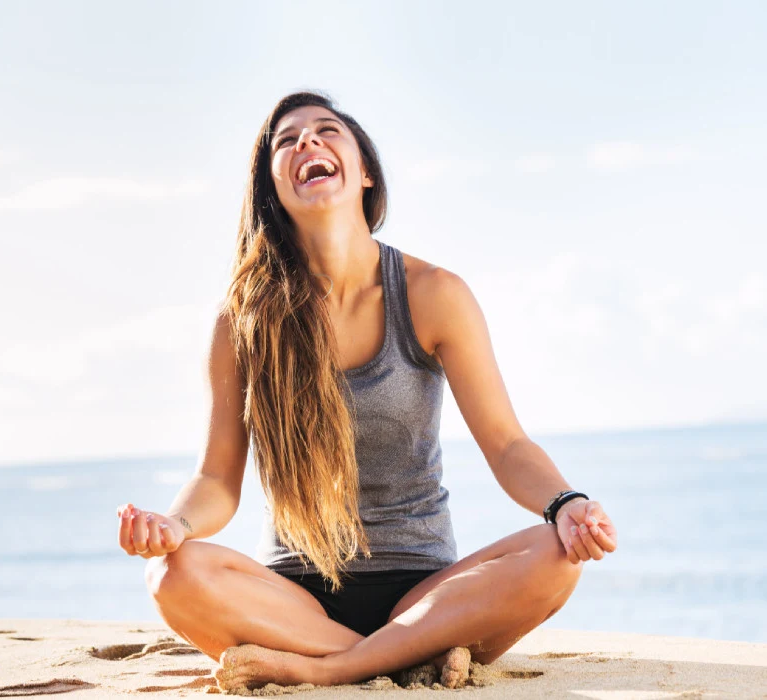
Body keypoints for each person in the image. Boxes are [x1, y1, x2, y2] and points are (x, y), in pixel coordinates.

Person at [116, 90, 618, 692]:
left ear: (366, 174)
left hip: (425, 592)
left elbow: (507, 445)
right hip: (293, 601)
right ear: (272, 186)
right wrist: (174, 525)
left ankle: (326, 669)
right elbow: (218, 478)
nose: (306, 141)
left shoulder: (434, 294)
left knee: (557, 557)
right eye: (286, 140)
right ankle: (402, 657)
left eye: (326, 131)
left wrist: (567, 507)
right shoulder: (243, 318)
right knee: (172, 576)